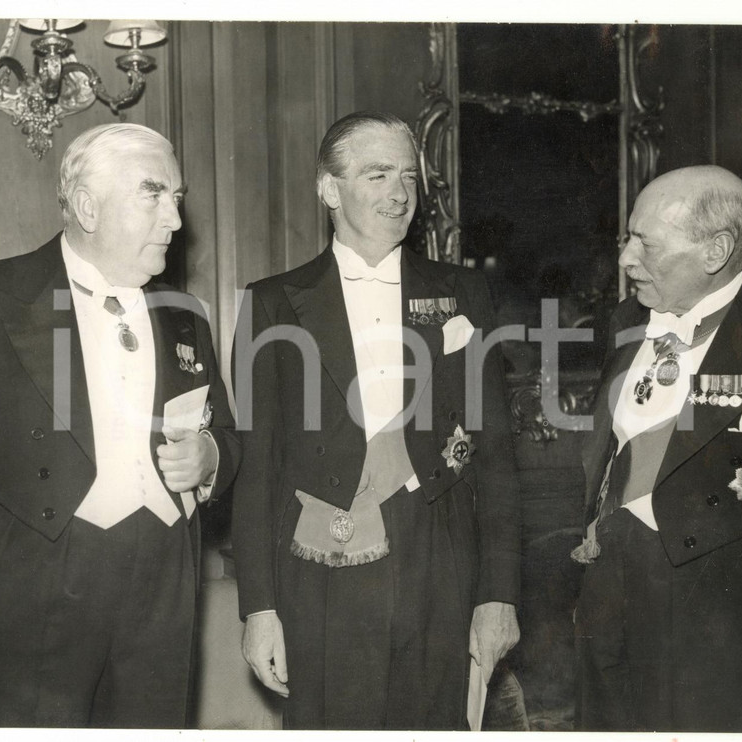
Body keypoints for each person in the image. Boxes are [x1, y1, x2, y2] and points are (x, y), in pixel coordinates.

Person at [0, 123, 241, 728]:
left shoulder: (185, 315)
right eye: (154, 194)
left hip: (160, 597)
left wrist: (211, 455)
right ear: (87, 206)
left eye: (177, 198)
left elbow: (229, 437)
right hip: (25, 594)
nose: (176, 221)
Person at [230, 111, 521, 729]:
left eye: (409, 177)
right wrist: (258, 609)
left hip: (440, 558)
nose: (399, 194)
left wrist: (498, 594)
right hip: (320, 567)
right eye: (378, 174)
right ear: (329, 190)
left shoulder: (463, 294)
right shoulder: (273, 301)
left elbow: (494, 456)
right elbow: (257, 467)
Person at [572, 165, 742, 732]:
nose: (625, 259)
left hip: (719, 628)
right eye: (628, 237)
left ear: (715, 251)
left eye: (645, 243)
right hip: (607, 605)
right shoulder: (627, 322)